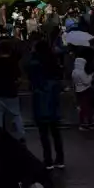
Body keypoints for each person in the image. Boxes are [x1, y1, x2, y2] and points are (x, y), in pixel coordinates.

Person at [26, 39, 65, 171]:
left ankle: (47, 160)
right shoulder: (53, 62)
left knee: (44, 134)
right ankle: (60, 158)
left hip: (40, 99)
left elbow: (29, 73)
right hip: (53, 99)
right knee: (56, 132)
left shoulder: (34, 64)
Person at [0, 41, 25, 141]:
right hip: (12, 91)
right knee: (16, 114)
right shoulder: (13, 62)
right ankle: (21, 135)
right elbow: (19, 79)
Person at [71, 48, 94, 130]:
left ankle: (83, 123)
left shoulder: (74, 71)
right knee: (88, 108)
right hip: (86, 90)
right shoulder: (81, 72)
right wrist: (91, 75)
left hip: (78, 90)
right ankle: (87, 123)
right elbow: (86, 81)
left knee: (82, 107)